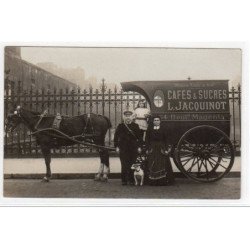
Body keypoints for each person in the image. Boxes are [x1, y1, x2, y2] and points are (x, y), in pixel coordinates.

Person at [114, 110, 143, 185]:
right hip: (123, 148)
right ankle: (124, 180)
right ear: (124, 117)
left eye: (129, 116)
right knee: (124, 164)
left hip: (133, 148)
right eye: (126, 116)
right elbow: (116, 137)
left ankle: (131, 180)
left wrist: (139, 147)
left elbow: (139, 137)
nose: (128, 118)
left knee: (132, 164)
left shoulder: (135, 126)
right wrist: (116, 146)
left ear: (132, 117)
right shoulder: (120, 126)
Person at [145, 115, 175, 185]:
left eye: (158, 120)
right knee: (152, 163)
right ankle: (153, 181)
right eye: (155, 120)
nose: (156, 121)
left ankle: (162, 181)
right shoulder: (149, 129)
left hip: (161, 147)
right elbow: (147, 139)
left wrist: (167, 149)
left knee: (162, 163)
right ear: (153, 121)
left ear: (160, 121)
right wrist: (147, 148)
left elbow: (166, 139)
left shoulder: (164, 129)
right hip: (152, 147)